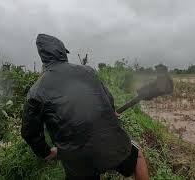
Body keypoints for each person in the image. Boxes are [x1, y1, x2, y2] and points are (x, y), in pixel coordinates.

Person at [21, 34, 149, 180]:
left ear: (43, 57)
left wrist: (45, 152)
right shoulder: (87, 71)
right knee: (137, 156)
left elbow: (29, 132)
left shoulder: (36, 90)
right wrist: (111, 111)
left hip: (77, 158)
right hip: (111, 143)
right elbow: (108, 98)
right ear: (63, 52)